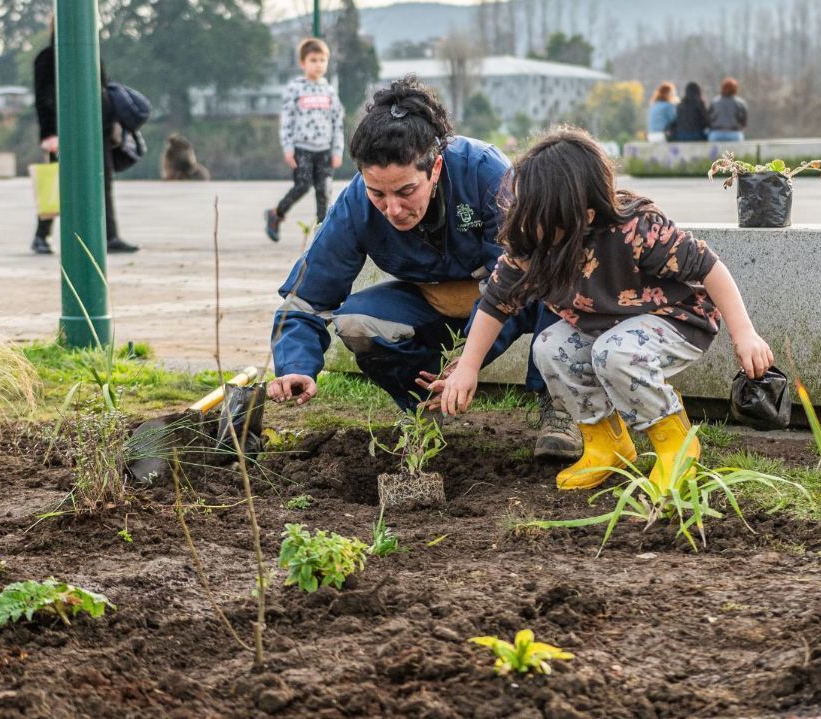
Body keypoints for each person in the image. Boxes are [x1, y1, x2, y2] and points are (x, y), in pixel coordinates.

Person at [427, 128, 774, 493]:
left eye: (540, 215)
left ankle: (677, 448)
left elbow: (709, 267)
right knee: (549, 347)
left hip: (676, 321)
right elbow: (496, 303)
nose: (527, 224)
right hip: (605, 329)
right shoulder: (531, 245)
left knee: (615, 352)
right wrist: (467, 368)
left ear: (585, 215)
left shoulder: (635, 229)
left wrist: (745, 334)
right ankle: (607, 445)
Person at [267, 76, 583, 460]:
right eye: (377, 193)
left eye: (405, 191)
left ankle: (560, 404)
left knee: (561, 274)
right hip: (435, 304)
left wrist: (468, 360)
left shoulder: (487, 174)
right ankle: (422, 404)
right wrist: (296, 365)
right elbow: (305, 297)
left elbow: (522, 275)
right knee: (356, 321)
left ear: (434, 169)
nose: (393, 209)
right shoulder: (355, 204)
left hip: (517, 295)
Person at [31, 18, 139, 254]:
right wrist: (49, 133)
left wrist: (112, 125)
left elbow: (103, 89)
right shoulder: (48, 58)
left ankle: (109, 235)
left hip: (99, 129)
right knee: (58, 183)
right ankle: (41, 235)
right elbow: (42, 98)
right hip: (63, 130)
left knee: (104, 182)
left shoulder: (93, 54)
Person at [265, 37, 345, 243]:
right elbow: (287, 120)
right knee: (302, 184)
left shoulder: (329, 91)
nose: (318, 65)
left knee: (324, 192)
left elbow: (337, 121)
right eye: (313, 60)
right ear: (303, 63)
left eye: (322, 60)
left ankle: (323, 236)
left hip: (325, 150)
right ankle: (276, 214)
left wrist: (337, 150)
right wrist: (288, 147)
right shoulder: (295, 89)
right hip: (302, 149)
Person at [708, 77, 748, 142]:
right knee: (733, 152)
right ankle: (730, 153)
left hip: (717, 134)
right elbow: (744, 121)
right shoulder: (740, 103)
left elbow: (709, 119)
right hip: (734, 134)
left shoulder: (714, 102)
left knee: (716, 151)